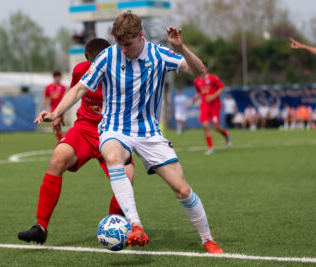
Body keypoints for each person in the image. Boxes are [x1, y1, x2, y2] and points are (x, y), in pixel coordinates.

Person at [34, 11, 223, 254]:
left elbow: (199, 70)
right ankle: (136, 226)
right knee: (114, 157)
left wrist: (181, 47)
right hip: (114, 128)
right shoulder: (108, 56)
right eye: (119, 44)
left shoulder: (158, 54)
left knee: (182, 189)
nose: (123, 50)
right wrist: (56, 111)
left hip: (149, 132)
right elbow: (80, 89)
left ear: (140, 36)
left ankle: (207, 238)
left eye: (128, 45)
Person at [18, 38, 135, 244]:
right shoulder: (81, 70)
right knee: (57, 158)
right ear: (87, 61)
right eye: (93, 64)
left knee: (127, 177)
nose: (96, 68)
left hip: (114, 133)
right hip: (84, 128)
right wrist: (58, 114)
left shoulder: (124, 73)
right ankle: (41, 226)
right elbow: (73, 91)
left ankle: (115, 225)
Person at [192, 66, 231, 155]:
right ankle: (210, 148)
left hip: (214, 106)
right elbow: (199, 91)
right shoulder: (196, 81)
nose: (201, 70)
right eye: (199, 68)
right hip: (204, 106)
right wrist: (195, 98)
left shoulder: (213, 78)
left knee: (216, 127)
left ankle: (226, 134)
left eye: (203, 68)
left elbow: (222, 88)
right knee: (205, 126)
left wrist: (213, 96)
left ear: (206, 69)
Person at [42, 71, 67, 142]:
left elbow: (66, 97)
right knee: (54, 125)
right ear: (54, 78)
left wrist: (64, 109)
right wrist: (43, 108)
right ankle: (61, 141)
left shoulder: (63, 87)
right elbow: (46, 98)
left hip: (60, 108)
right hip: (52, 108)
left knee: (55, 124)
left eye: (59, 77)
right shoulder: (48, 87)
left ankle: (61, 141)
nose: (58, 79)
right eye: (57, 77)